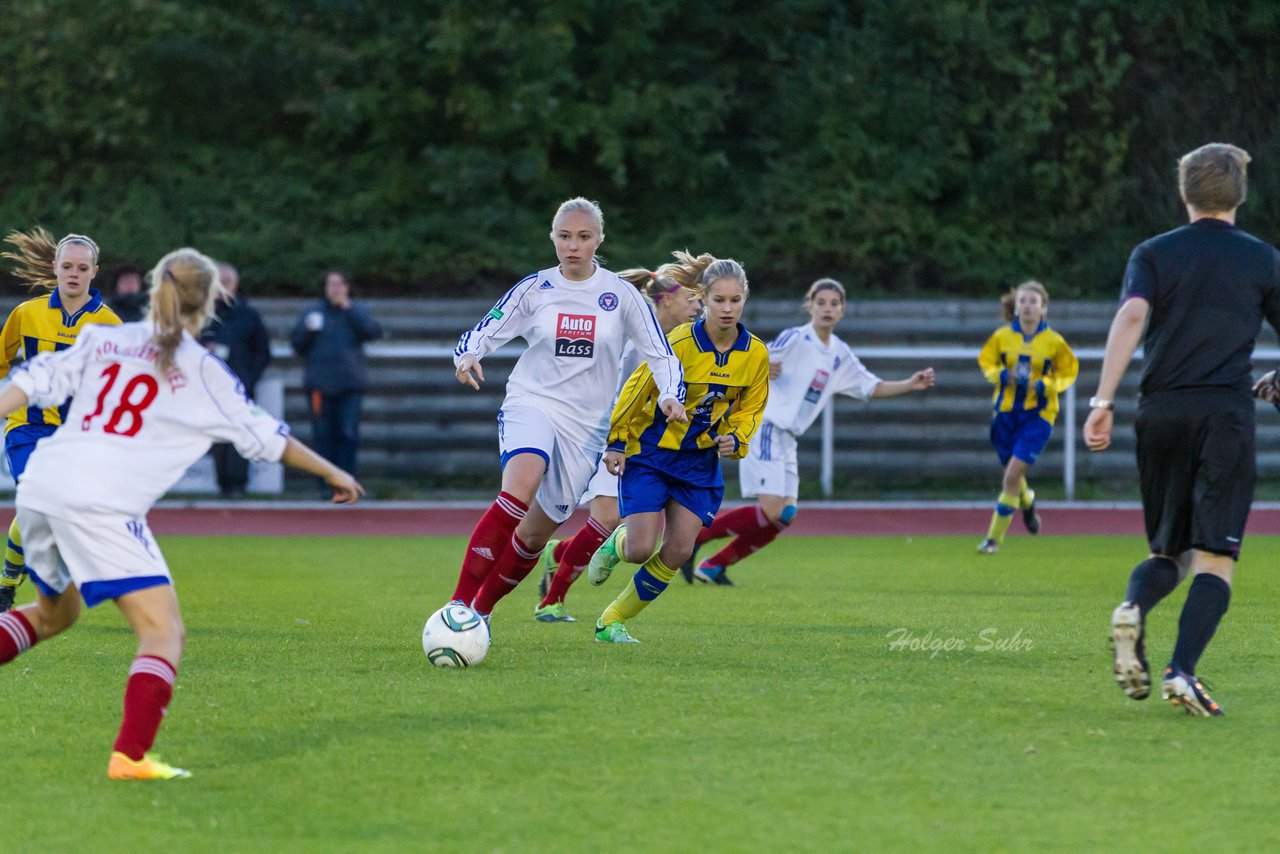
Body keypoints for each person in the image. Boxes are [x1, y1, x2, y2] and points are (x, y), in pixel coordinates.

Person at [0, 247, 363, 781]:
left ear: (152, 290)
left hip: (41, 486)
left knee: (55, 615)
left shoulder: (108, 337)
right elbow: (267, 438)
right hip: (99, 501)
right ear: (212, 302)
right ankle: (130, 757)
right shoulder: (203, 371)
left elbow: (33, 380)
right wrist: (334, 472)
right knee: (163, 633)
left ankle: (130, 755)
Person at [1086, 143, 1280, 717]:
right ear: (1239, 195)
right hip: (1224, 415)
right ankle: (1182, 671)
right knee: (1216, 558)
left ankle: (1133, 610)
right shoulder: (1263, 259)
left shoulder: (1153, 252)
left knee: (1168, 552)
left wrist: (1102, 400)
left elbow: (1130, 316)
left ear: (1184, 193)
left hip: (1160, 411)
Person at [448, 198, 686, 625]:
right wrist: (467, 357)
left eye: (583, 237)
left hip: (587, 430)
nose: (573, 246)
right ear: (553, 238)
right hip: (532, 402)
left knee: (536, 534)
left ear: (598, 240)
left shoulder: (621, 295)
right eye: (564, 236)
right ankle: (459, 604)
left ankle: (480, 612)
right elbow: (486, 330)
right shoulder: (535, 288)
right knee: (520, 483)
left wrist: (671, 394)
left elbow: (662, 355)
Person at [683, 278, 935, 585]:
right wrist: (764, 366)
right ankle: (694, 539)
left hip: (788, 438)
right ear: (810, 306)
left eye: (834, 303)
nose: (827, 309)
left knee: (785, 514)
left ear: (842, 310)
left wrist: (910, 383)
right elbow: (751, 357)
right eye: (821, 302)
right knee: (773, 508)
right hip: (766, 426)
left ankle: (713, 566)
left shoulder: (840, 354)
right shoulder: (796, 338)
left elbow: (872, 387)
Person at [586, 255, 770, 643]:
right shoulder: (680, 342)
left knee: (679, 550)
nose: (727, 308)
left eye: (735, 300)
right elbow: (639, 389)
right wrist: (618, 440)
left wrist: (736, 439)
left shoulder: (756, 355)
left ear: (745, 300)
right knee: (639, 549)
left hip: (698, 464)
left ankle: (611, 621)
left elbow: (752, 408)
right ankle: (614, 545)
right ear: (702, 298)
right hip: (652, 454)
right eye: (718, 299)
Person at [533, 262, 703, 622]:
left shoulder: (680, 344)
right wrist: (616, 440)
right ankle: (551, 601)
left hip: (644, 446)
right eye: (690, 298)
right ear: (664, 300)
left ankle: (556, 555)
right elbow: (616, 396)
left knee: (611, 526)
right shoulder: (637, 341)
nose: (696, 306)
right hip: (609, 436)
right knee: (607, 519)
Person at [0, 229, 121, 612]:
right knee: (38, 496)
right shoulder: (27, 313)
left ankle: (8, 582)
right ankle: (8, 586)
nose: (73, 273)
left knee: (46, 507)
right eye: (66, 266)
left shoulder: (109, 325)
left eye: (81, 267)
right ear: (54, 268)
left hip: (74, 436)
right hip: (27, 426)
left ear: (94, 272)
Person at [975, 280, 1077, 554]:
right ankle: (1028, 502)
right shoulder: (1002, 337)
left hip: (1038, 417)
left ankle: (993, 540)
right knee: (1012, 474)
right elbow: (986, 362)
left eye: (1034, 301)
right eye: (1023, 301)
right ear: (1015, 306)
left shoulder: (1054, 342)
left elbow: (1069, 372)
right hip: (1005, 415)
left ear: (1044, 309)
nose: (1027, 306)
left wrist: (1047, 385)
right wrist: (999, 375)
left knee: (1010, 477)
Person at [289, 269, 383, 494]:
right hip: (319, 386)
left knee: (347, 434)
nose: (335, 289)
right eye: (331, 284)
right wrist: (308, 330)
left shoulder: (356, 311)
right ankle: (326, 485)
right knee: (322, 436)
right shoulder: (313, 312)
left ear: (347, 288)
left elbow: (373, 332)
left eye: (340, 284)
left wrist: (349, 310)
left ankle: (347, 482)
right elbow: (296, 344)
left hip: (350, 385)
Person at [201, 261, 272, 499]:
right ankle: (223, 483)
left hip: (240, 386)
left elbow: (262, 351)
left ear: (236, 284)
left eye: (227, 281)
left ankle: (238, 485)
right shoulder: (203, 313)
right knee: (218, 437)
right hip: (211, 388)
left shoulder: (248, 314)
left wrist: (250, 378)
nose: (223, 286)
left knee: (241, 436)